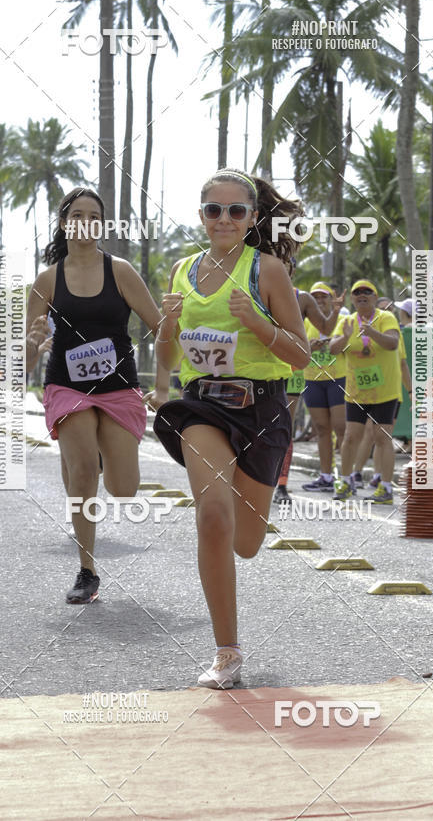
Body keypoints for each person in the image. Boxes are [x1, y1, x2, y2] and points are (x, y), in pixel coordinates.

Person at [153, 168, 310, 689]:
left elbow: (301, 355)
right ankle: (227, 652)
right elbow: (168, 356)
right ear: (201, 216)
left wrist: (259, 324)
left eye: (235, 210)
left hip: (261, 410)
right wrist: (167, 327)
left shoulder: (267, 271)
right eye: (213, 210)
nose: (224, 219)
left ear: (252, 218)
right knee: (214, 517)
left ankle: (229, 640)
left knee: (246, 543)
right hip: (202, 408)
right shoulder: (181, 271)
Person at [25, 187, 167, 605]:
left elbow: (161, 328)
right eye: (77, 215)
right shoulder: (47, 280)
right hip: (67, 386)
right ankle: (87, 570)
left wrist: (162, 385)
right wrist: (31, 344)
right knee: (84, 471)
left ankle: (96, 452)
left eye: (94, 216)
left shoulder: (120, 271)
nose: (85, 222)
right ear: (64, 223)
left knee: (123, 490)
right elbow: (24, 356)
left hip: (118, 386)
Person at [273, 271, 343, 503]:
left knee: (285, 427)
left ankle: (281, 485)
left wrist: (336, 310)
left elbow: (327, 328)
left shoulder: (301, 298)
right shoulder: (255, 289)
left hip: (292, 371)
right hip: (263, 368)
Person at [329, 279, 401, 504]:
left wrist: (371, 332)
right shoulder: (347, 321)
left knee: (382, 437)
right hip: (357, 391)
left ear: (375, 297)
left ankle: (386, 488)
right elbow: (333, 349)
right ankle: (345, 481)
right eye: (357, 292)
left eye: (367, 292)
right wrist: (345, 337)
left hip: (384, 390)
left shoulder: (385, 317)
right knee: (351, 437)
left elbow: (393, 343)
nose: (362, 295)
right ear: (352, 299)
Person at [352, 296, 412, 488]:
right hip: (365, 392)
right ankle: (358, 473)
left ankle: (378, 477)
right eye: (383, 310)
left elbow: (403, 364)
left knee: (380, 436)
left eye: (390, 310)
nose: (387, 314)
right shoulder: (357, 329)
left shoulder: (394, 335)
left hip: (388, 393)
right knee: (369, 434)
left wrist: (411, 391)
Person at [299, 282, 347, 493]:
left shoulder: (342, 319)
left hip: (338, 379)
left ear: (331, 299)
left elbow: (348, 346)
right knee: (321, 429)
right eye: (315, 297)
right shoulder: (305, 322)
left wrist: (335, 343)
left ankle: (347, 477)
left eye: (323, 297)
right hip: (313, 380)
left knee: (341, 428)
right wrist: (310, 347)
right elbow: (298, 349)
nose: (319, 301)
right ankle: (326, 477)